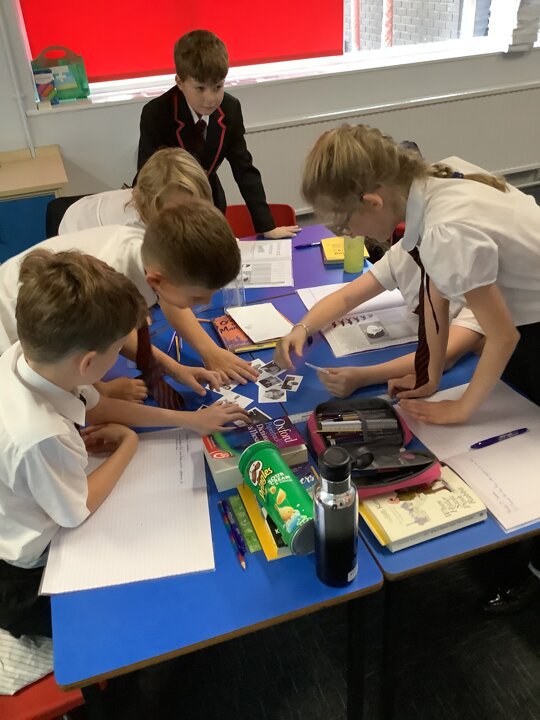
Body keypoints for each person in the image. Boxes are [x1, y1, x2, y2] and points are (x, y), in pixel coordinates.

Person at [301, 124, 540, 611]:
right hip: (524, 316)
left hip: (528, 323)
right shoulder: (430, 186)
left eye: (345, 224)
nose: (349, 235)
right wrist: (428, 374)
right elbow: (436, 295)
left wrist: (462, 407)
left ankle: (532, 571)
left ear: (372, 200)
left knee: (524, 447)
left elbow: (503, 336)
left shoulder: (446, 228)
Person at [0, 250, 250, 640]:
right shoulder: (40, 435)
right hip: (26, 576)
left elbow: (99, 407)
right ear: (87, 364)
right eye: (118, 349)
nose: (123, 355)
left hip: (33, 501)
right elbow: (76, 509)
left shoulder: (26, 356)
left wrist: (192, 421)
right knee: (157, 623)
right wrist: (128, 444)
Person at [0, 199, 259, 405]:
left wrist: (194, 359)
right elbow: (80, 348)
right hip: (12, 329)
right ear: (156, 280)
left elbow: (166, 299)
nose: (204, 304)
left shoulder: (156, 255)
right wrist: (100, 391)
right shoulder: (109, 275)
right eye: (197, 297)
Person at [135, 29, 299, 239]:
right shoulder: (156, 112)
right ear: (180, 82)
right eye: (200, 88)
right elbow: (146, 177)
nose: (210, 98)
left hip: (212, 204)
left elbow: (244, 169)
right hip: (168, 209)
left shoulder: (230, 109)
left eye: (218, 87)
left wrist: (266, 226)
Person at [275, 240, 485, 395]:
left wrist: (363, 377)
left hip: (473, 373)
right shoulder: (407, 251)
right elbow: (346, 298)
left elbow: (445, 355)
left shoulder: (479, 274)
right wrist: (302, 328)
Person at [58, 148, 212, 234]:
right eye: (178, 212)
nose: (188, 217)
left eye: (194, 207)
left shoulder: (155, 197)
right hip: (77, 250)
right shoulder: (132, 235)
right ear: (150, 205)